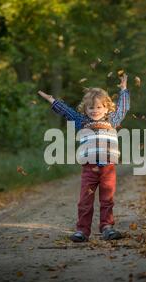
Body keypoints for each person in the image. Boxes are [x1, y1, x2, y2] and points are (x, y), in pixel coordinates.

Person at [38, 73, 130, 242]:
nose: (95, 111)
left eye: (99, 107)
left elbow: (123, 108)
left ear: (107, 108)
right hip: (89, 168)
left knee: (107, 199)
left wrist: (124, 90)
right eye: (91, 108)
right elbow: (66, 111)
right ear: (85, 109)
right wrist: (52, 100)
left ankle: (107, 227)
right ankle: (82, 230)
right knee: (85, 201)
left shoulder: (113, 120)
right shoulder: (82, 121)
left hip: (108, 168)